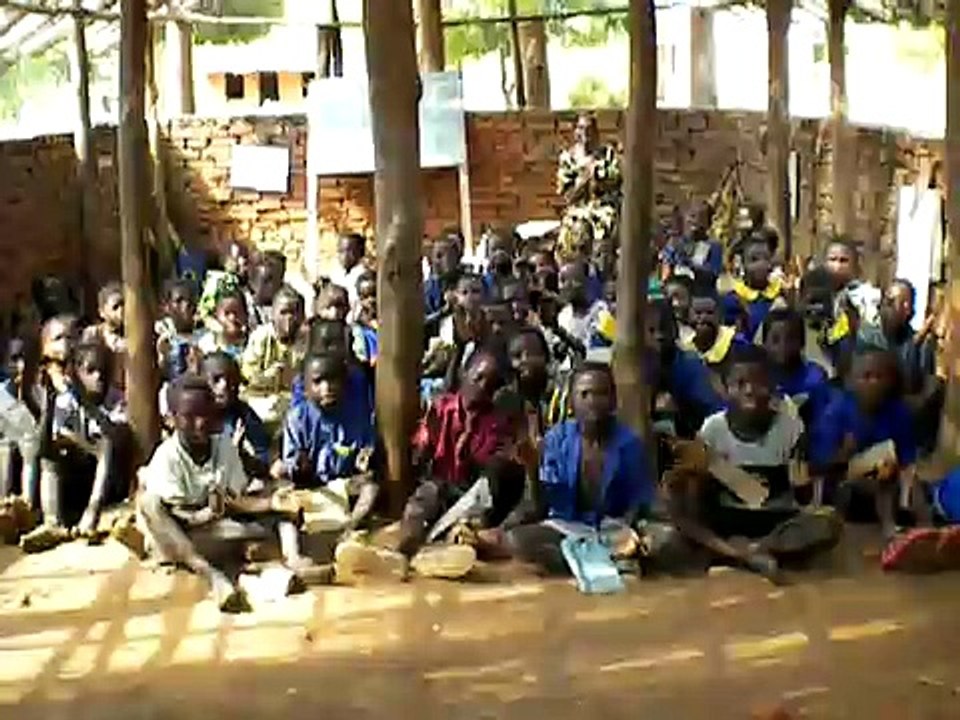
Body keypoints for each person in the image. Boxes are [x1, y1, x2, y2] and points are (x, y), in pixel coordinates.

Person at [665, 345, 840, 581]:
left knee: (828, 523)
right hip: (727, 520)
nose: (750, 391)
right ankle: (745, 554)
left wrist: (802, 485)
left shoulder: (790, 427)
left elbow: (802, 496)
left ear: (773, 387)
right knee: (676, 523)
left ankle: (747, 552)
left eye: (760, 383)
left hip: (775, 522)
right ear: (726, 389)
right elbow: (698, 496)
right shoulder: (713, 429)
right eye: (740, 384)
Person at [138, 374, 304, 612]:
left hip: (217, 527)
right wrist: (208, 512)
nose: (200, 423)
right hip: (180, 536)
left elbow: (230, 497)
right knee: (149, 504)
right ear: (172, 419)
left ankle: (293, 558)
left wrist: (271, 504)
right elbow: (179, 514)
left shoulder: (223, 445)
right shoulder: (167, 457)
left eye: (206, 414)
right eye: (190, 417)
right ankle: (212, 575)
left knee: (278, 510)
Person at [506, 362, 654, 576]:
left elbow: (639, 501)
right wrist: (532, 468)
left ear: (613, 401)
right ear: (572, 402)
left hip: (613, 528)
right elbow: (542, 505)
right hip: (568, 527)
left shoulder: (629, 444)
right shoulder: (556, 439)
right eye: (584, 394)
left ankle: (589, 560)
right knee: (517, 540)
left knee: (658, 541)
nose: (592, 401)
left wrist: (630, 532)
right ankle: (599, 561)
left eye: (601, 394)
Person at [399, 348, 523, 574]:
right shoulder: (440, 407)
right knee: (423, 499)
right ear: (464, 374)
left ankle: (449, 548)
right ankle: (401, 555)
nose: (483, 386)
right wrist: (423, 445)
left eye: (492, 384)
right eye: (478, 377)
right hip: (440, 487)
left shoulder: (496, 422)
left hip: (473, 496)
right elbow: (420, 450)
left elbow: (487, 472)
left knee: (470, 525)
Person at [20, 342, 128, 551]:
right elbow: (46, 445)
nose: (98, 378)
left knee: (105, 446)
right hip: (77, 476)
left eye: (102, 372)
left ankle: (92, 513)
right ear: (75, 373)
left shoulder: (116, 399)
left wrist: (84, 402)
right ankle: (53, 522)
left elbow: (111, 434)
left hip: (107, 484)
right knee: (49, 458)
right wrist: (48, 403)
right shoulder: (65, 400)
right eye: (90, 371)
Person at [809, 345, 917, 541]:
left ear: (891, 380)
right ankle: (837, 531)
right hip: (844, 484)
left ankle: (918, 531)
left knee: (915, 487)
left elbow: (907, 458)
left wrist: (908, 486)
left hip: (885, 482)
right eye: (866, 376)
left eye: (880, 376)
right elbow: (819, 466)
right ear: (850, 381)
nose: (874, 383)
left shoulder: (899, 412)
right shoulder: (836, 412)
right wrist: (845, 452)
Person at [859, 279, 943, 458]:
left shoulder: (921, 346)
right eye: (887, 301)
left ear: (909, 311)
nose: (888, 308)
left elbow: (920, 390)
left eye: (904, 305)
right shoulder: (867, 336)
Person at [556, 113, 622, 262]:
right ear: (575, 132)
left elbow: (615, 181)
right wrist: (585, 177)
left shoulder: (607, 155)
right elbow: (568, 196)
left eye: (589, 129)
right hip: (577, 211)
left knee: (606, 226)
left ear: (596, 133)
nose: (585, 133)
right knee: (571, 233)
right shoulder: (568, 158)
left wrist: (597, 175)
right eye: (581, 128)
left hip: (604, 209)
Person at [241, 284, 304, 426]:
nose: (288, 318)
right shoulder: (261, 336)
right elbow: (248, 378)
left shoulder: (305, 342)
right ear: (272, 314)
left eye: (293, 313)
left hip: (291, 401)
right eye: (283, 312)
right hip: (260, 398)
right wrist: (272, 374)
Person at [762, 308, 833, 430]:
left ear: (802, 342)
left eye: (791, 339)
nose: (783, 346)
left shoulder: (815, 377)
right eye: (775, 340)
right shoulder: (758, 379)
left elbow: (823, 424)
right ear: (764, 344)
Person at [203, 352, 270, 478]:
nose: (225, 385)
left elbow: (264, 459)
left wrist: (242, 456)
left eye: (232, 380)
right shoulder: (195, 416)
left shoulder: (243, 415)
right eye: (217, 379)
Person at [722, 234, 785, 340]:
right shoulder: (734, 300)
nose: (762, 264)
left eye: (766, 258)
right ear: (742, 264)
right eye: (754, 259)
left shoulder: (780, 295)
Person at [680, 283, 745, 375]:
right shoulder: (684, 348)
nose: (703, 317)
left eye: (709, 313)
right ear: (688, 317)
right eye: (698, 313)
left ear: (719, 317)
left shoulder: (736, 341)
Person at [823, 236, 881, 329]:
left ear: (854, 263)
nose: (837, 266)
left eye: (843, 260)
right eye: (832, 259)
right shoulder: (819, 294)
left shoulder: (867, 297)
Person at [557, 260, 611, 351]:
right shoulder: (563, 316)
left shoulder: (603, 313)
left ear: (578, 283)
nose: (560, 286)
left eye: (563, 280)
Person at [661, 202, 723, 279]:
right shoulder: (675, 243)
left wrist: (689, 264)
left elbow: (713, 273)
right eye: (692, 216)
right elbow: (665, 272)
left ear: (708, 224)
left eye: (701, 218)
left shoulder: (713, 246)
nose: (695, 221)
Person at [156, 279, 202, 382]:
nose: (186, 305)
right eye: (179, 301)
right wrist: (162, 357)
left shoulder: (205, 338)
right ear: (166, 307)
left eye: (190, 300)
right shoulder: (161, 335)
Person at [198, 291, 249, 360]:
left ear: (246, 315)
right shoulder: (207, 344)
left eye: (237, 313)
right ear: (216, 315)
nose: (232, 318)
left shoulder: (252, 344)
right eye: (227, 313)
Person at [82, 281, 125, 355]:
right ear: (102, 312)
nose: (121, 311)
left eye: (123, 305)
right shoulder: (91, 336)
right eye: (115, 307)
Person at [248, 250, 287, 328]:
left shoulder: (286, 307)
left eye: (280, 278)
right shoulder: (247, 309)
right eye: (267, 280)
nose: (278, 284)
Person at [329, 233, 367, 307]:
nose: (343, 256)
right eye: (340, 251)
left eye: (348, 251)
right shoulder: (335, 274)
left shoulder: (364, 276)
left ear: (361, 252)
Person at [351, 271, 379, 367]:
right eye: (365, 297)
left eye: (374, 294)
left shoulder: (391, 323)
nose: (371, 300)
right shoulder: (358, 328)